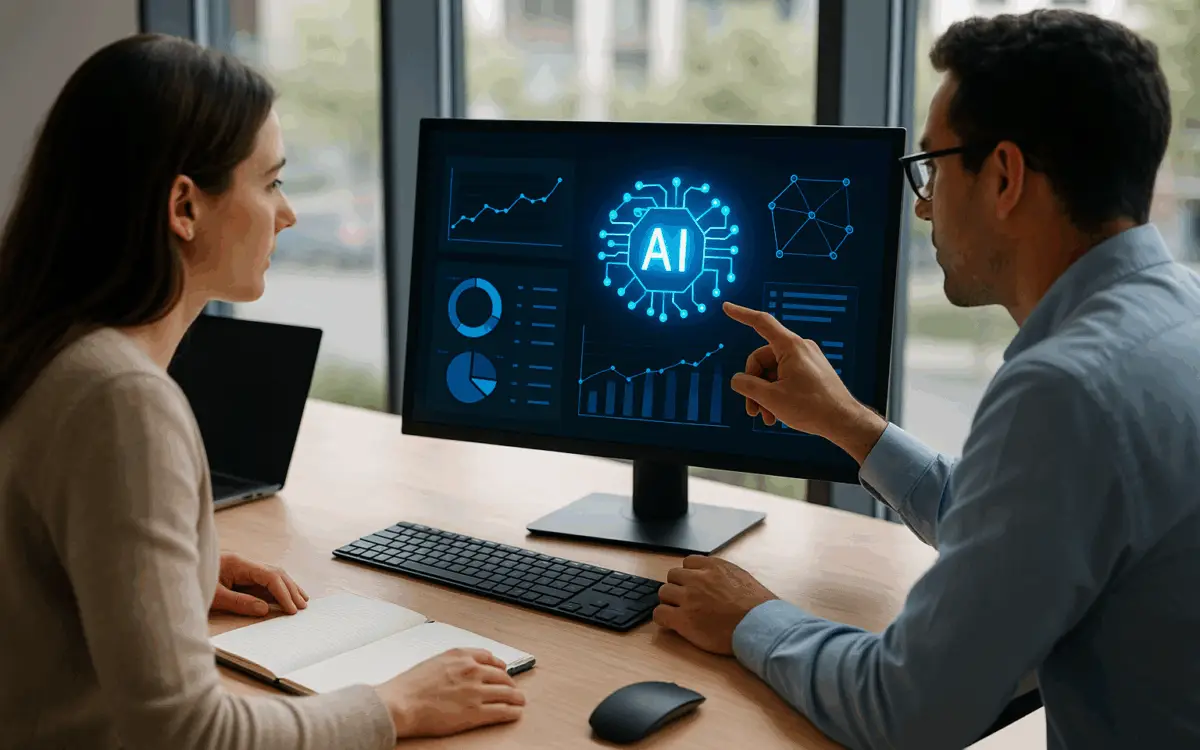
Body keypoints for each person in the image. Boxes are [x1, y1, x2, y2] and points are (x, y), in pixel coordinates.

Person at [652, 9, 1200, 750]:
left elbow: (904, 712)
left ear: (1003, 176)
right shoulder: (1177, 317)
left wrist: (750, 617)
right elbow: (1024, 525)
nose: (922, 204)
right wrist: (849, 422)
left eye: (933, 168)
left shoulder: (1068, 390)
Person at [0, 34, 523, 750]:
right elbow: (185, 733)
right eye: (272, 181)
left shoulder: (42, 347)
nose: (289, 213)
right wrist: (393, 704)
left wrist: (167, 581)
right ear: (184, 207)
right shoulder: (120, 401)